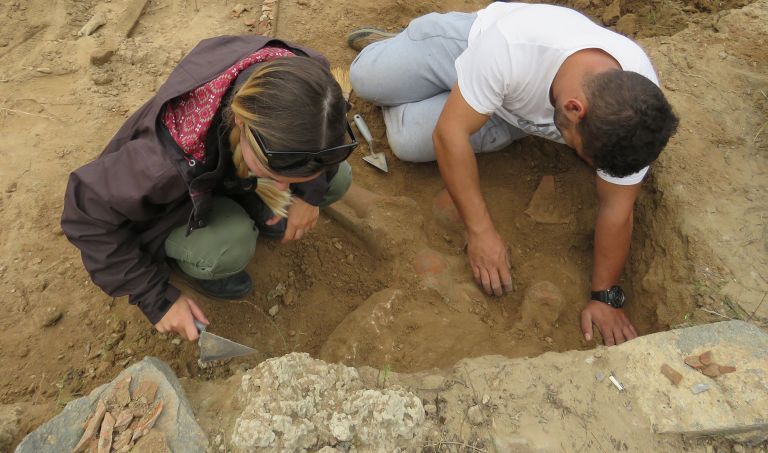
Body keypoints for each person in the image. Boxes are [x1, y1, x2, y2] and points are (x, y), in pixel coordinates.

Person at [347, 3, 679, 345]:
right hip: (469, 46)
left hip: (507, 110)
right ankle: (410, 48)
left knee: (405, 142)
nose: (590, 166)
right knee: (365, 79)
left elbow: (617, 207)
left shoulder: (636, 116)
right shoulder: (513, 46)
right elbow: (450, 136)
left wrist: (604, 295)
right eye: (584, 154)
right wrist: (481, 232)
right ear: (574, 109)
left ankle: (454, 98)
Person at [62, 36, 357, 341]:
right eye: (274, 174)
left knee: (338, 178)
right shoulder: (162, 162)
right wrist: (157, 299)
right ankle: (197, 264)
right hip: (180, 196)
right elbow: (85, 212)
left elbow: (323, 148)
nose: (284, 189)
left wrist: (309, 194)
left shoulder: (312, 87)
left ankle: (250, 190)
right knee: (230, 246)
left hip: (221, 171)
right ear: (241, 122)